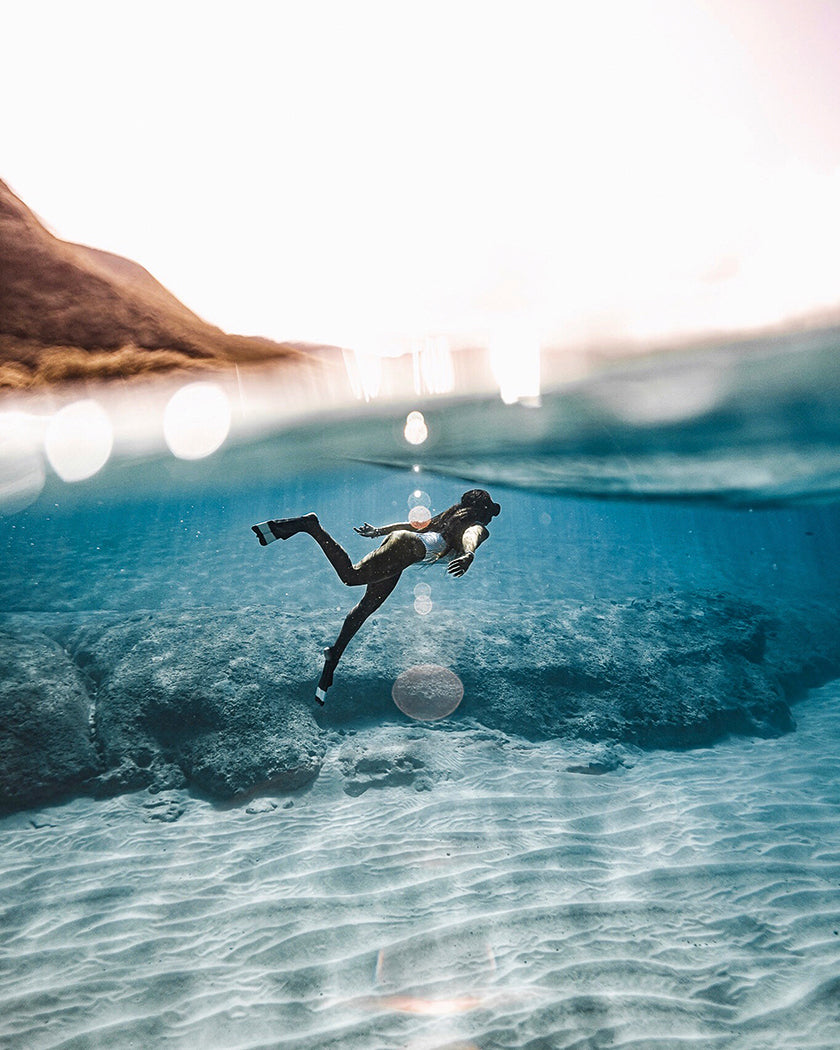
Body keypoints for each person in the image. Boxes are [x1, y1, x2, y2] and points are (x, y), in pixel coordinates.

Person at [252, 489, 501, 705]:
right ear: (484, 512)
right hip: (405, 549)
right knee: (350, 576)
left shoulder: (448, 520)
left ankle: (333, 658)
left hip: (404, 548)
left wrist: (378, 531)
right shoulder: (477, 527)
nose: (489, 519)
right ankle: (310, 526)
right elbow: (473, 537)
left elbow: (411, 527)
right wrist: (469, 555)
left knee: (366, 607)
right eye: (489, 514)